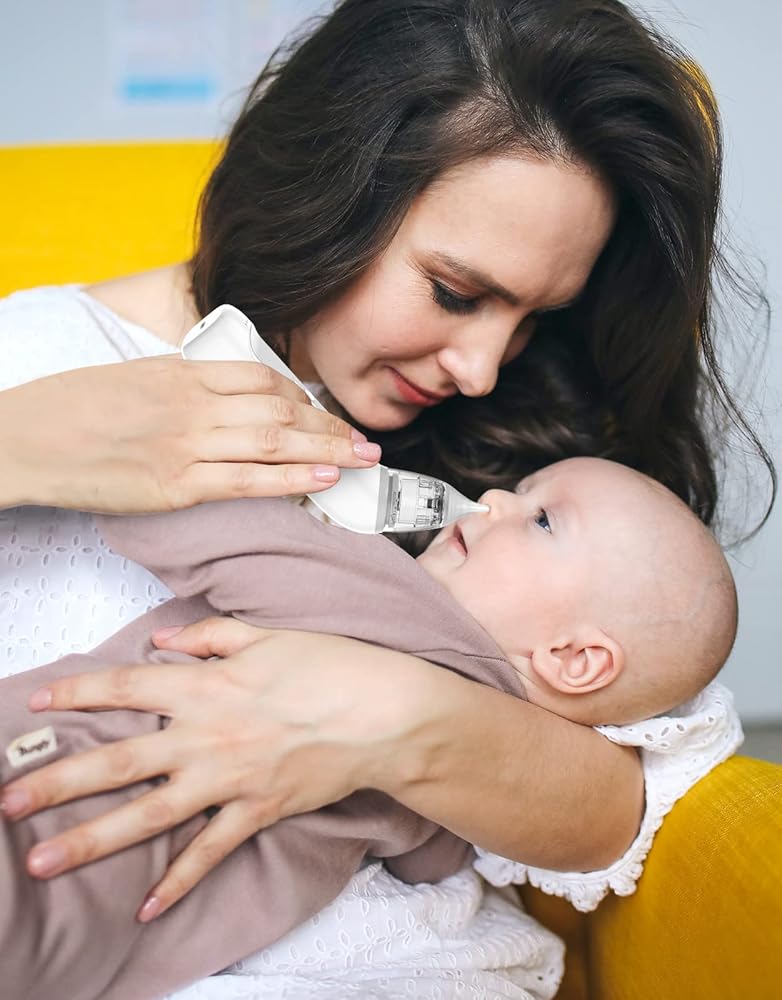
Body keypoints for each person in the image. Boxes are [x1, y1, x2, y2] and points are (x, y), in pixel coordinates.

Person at [0, 0, 768, 996]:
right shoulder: (36, 356)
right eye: (456, 292)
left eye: (534, 316)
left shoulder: (519, 457)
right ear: (325, 195)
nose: (484, 368)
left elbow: (626, 801)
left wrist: (390, 714)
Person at [0, 457, 737, 1000]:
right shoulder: (455, 806)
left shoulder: (393, 595)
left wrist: (181, 456)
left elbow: (186, 517)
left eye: (541, 519)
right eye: (521, 491)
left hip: (57, 802)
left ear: (575, 659)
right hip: (121, 936)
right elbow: (426, 866)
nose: (492, 500)